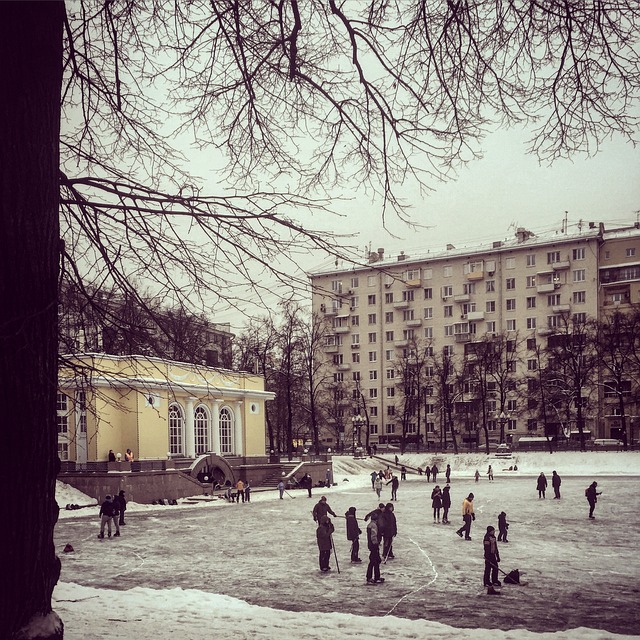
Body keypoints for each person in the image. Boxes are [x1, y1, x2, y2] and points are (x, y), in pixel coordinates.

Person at [366, 512, 384, 584]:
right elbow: (373, 536)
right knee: (374, 561)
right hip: (373, 546)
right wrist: (376, 544)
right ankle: (371, 577)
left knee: (375, 561)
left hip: (371, 545)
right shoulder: (374, 526)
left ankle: (376, 576)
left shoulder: (370, 525)